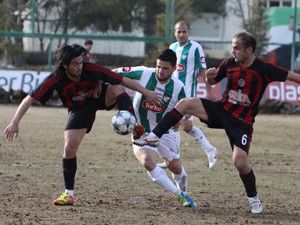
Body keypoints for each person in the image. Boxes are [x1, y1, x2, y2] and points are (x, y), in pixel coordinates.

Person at [133, 31, 300, 214]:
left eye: (236, 47)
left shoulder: (265, 69)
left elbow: (294, 77)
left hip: (242, 122)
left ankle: (254, 200)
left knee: (240, 163)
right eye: (232, 46)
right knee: (185, 104)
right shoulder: (230, 63)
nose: (232, 50)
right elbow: (212, 80)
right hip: (222, 110)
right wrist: (210, 77)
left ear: (249, 50)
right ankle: (154, 137)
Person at [4, 43, 161, 206]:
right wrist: (15, 122)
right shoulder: (55, 78)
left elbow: (123, 80)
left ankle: (135, 129)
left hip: (99, 97)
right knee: (69, 148)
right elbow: (30, 98)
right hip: (79, 110)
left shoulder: (90, 69)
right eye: (75, 64)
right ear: (65, 65)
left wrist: (146, 93)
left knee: (116, 86)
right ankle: (69, 194)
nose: (80, 66)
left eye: (81, 62)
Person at [114, 49, 197, 208]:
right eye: (158, 66)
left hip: (163, 132)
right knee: (147, 161)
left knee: (175, 166)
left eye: (165, 68)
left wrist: (178, 121)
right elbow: (115, 73)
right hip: (140, 130)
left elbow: (184, 109)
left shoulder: (178, 88)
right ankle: (180, 195)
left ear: (174, 69)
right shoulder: (144, 73)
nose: (160, 71)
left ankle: (182, 185)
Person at [167, 21, 218, 170]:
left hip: (187, 93)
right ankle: (210, 149)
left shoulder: (195, 47)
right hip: (173, 92)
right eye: (178, 32)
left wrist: (209, 92)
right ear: (174, 33)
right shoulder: (172, 47)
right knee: (186, 126)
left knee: (175, 124)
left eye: (184, 31)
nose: (181, 34)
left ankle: (172, 158)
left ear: (188, 32)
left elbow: (203, 71)